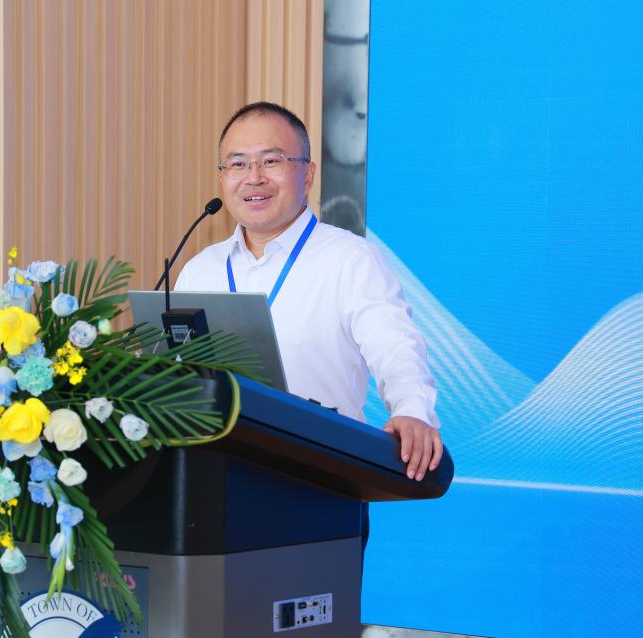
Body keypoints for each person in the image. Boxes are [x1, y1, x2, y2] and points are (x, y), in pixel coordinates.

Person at [175, 101, 443, 482]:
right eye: (238, 164)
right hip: (213, 480)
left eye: (271, 161)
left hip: (322, 482)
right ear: (223, 177)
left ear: (308, 174)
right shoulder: (200, 270)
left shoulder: (351, 259)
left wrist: (413, 409)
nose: (253, 177)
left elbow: (396, 346)